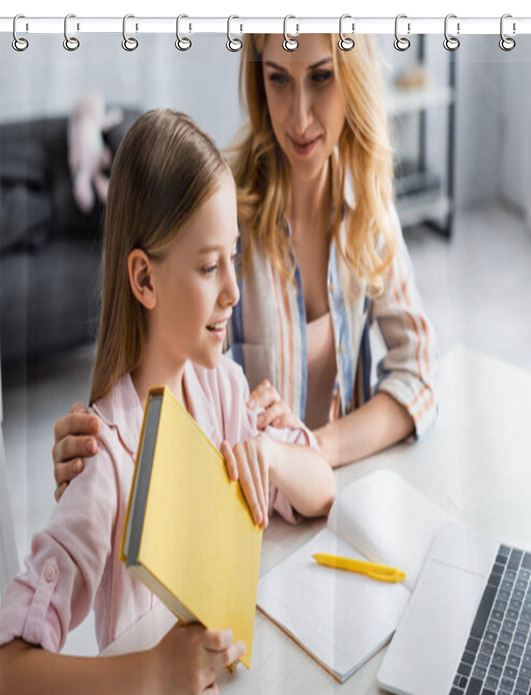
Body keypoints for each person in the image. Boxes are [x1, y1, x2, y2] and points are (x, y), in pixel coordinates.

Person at [0, 110, 335, 695]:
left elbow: (321, 489)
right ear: (144, 279)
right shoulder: (106, 458)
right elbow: (8, 685)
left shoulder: (224, 389)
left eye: (232, 258)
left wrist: (270, 456)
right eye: (210, 267)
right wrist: (152, 675)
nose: (233, 291)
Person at [50, 33, 437, 498]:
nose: (298, 116)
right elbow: (153, 377)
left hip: (330, 497)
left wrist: (312, 450)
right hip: (244, 516)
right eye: (278, 79)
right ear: (259, 79)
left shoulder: (370, 207)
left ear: (353, 75)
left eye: (321, 77)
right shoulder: (221, 216)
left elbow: (418, 374)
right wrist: (103, 450)